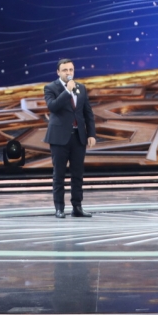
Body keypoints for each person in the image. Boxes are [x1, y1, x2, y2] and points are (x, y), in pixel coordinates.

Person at [43, 59, 96, 218]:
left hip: (78, 137)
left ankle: (77, 207)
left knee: (77, 174)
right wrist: (67, 91)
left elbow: (87, 113)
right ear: (58, 72)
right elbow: (53, 106)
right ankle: (59, 208)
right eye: (65, 70)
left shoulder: (81, 88)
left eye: (71, 70)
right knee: (59, 174)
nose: (68, 73)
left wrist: (91, 134)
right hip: (59, 138)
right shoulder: (50, 87)